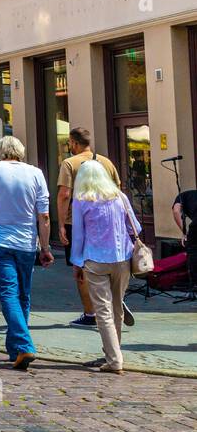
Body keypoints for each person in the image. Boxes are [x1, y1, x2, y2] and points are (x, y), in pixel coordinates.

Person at [0, 135, 54, 370]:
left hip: (1, 241)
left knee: (8, 294)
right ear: (21, 152)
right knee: (23, 296)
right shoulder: (36, 173)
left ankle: (24, 344)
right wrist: (46, 247)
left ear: (0, 151)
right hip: (27, 244)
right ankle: (15, 350)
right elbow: (45, 216)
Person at [70, 160, 142, 374]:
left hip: (95, 260)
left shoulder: (81, 201)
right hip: (122, 259)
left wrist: (76, 262)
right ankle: (114, 353)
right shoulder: (119, 197)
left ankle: (114, 359)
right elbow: (135, 226)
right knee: (117, 307)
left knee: (103, 311)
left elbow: (79, 236)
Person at [57, 127, 128, 328]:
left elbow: (64, 194)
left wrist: (61, 224)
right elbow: (118, 190)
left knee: (81, 267)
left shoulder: (69, 163)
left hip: (77, 221)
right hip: (107, 221)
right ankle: (112, 302)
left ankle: (90, 313)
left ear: (73, 142)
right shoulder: (106, 162)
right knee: (106, 260)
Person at [174, 185, 197, 297]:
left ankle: (194, 285)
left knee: (193, 252)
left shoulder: (180, 198)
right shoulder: (192, 196)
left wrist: (184, 232)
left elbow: (176, 211)